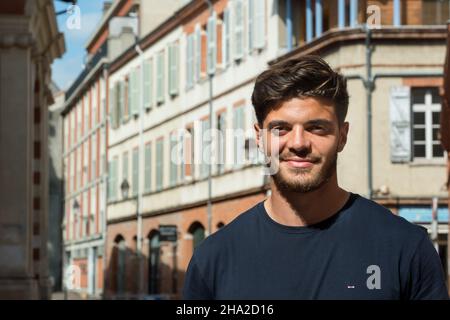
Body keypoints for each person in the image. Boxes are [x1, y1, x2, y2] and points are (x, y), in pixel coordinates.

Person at [182, 55, 449, 300]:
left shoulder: (405, 248)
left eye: (316, 128)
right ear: (259, 137)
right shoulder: (213, 260)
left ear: (342, 136)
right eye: (281, 128)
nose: (298, 143)